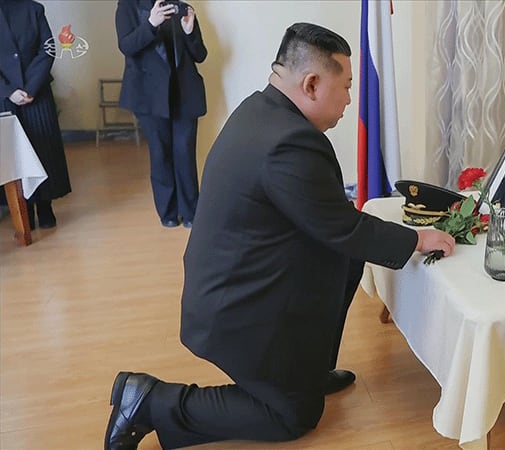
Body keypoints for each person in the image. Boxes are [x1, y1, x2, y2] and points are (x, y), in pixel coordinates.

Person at [104, 22, 456, 449]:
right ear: (311, 84)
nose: (350, 99)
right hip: (237, 308)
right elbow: (342, 227)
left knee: (347, 258)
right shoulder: (290, 142)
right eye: (346, 87)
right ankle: (149, 400)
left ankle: (307, 373)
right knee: (292, 416)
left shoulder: (261, 110)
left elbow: (328, 221)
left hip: (242, 280)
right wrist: (418, 240)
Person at [115, 0, 207, 228]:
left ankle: (191, 212)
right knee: (160, 153)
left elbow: (200, 54)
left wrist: (190, 32)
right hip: (149, 94)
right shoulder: (128, 5)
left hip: (184, 92)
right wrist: (151, 24)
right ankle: (168, 212)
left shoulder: (181, 6)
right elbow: (126, 46)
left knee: (184, 152)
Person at [0, 0, 71, 228]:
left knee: (44, 151)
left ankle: (46, 206)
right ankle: (24, 212)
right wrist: (9, 91)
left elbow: (47, 48)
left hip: (37, 92)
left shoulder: (33, 9)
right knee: (15, 156)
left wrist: (31, 87)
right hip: (5, 97)